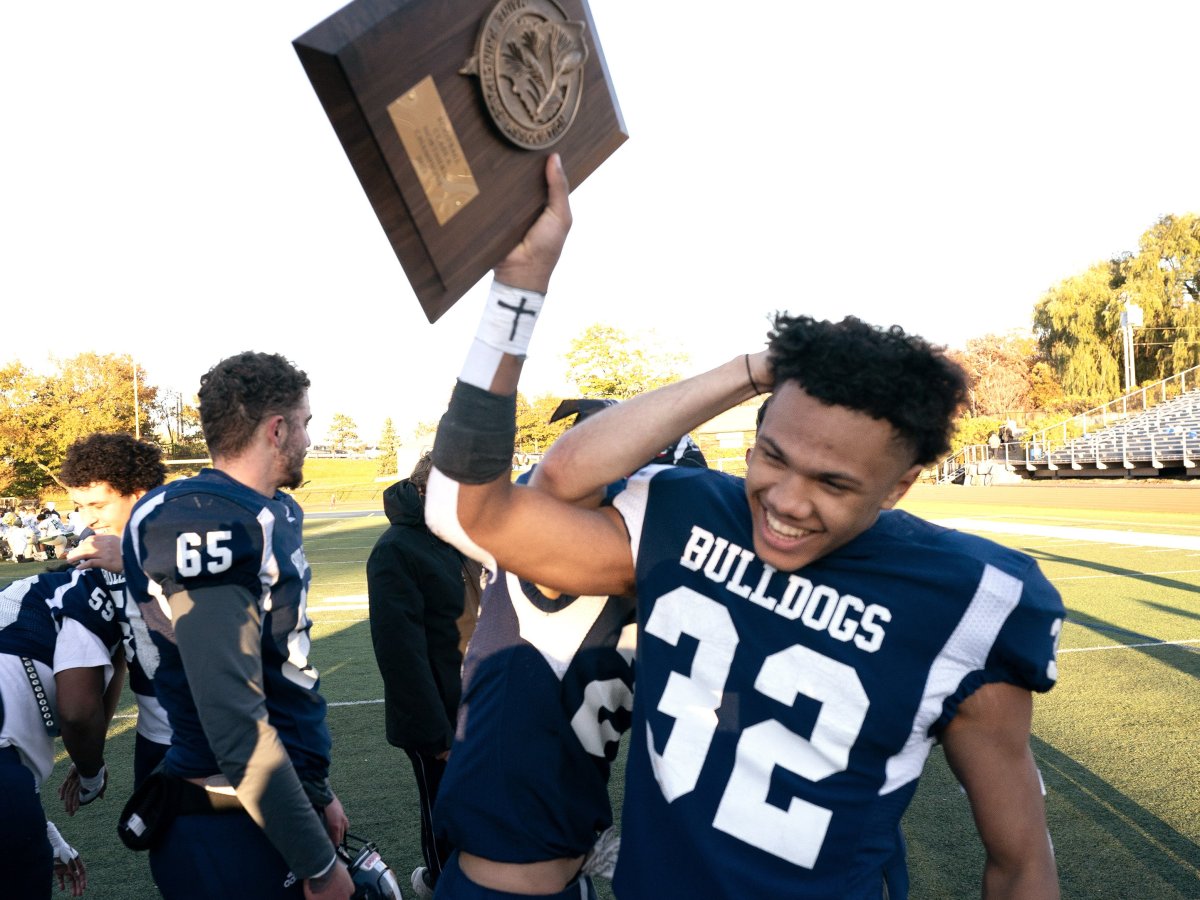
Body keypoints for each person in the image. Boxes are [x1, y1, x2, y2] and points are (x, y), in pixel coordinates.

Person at [422, 154, 1064, 898]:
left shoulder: (971, 598)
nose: (787, 501)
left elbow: (1020, 860)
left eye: (832, 483)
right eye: (773, 457)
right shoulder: (691, 517)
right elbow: (489, 505)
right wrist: (523, 284)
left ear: (900, 486)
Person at [430, 401, 705, 900]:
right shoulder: (558, 570)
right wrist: (749, 373)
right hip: (512, 882)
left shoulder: (646, 591)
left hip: (562, 864)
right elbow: (562, 483)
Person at [122, 351, 353, 899]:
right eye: (305, 422)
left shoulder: (262, 508)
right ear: (277, 429)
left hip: (271, 795)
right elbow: (233, 720)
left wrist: (315, 789)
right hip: (227, 812)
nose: (308, 438)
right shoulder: (208, 519)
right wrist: (319, 866)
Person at [366, 450, 476, 899]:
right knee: (449, 819)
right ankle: (442, 885)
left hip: (481, 702)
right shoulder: (396, 549)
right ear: (425, 489)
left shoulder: (456, 536)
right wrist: (436, 736)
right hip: (441, 718)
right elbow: (401, 656)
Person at [0, 557, 130, 896]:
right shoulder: (82, 593)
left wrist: (43, 830)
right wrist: (91, 773)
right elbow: (78, 713)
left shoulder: (20, 602)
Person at [59, 432, 171, 787]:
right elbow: (116, 653)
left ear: (138, 493)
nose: (88, 519)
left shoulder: (189, 536)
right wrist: (92, 747)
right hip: (155, 734)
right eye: (80, 506)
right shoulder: (97, 550)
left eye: (98, 505)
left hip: (221, 729)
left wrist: (135, 562)